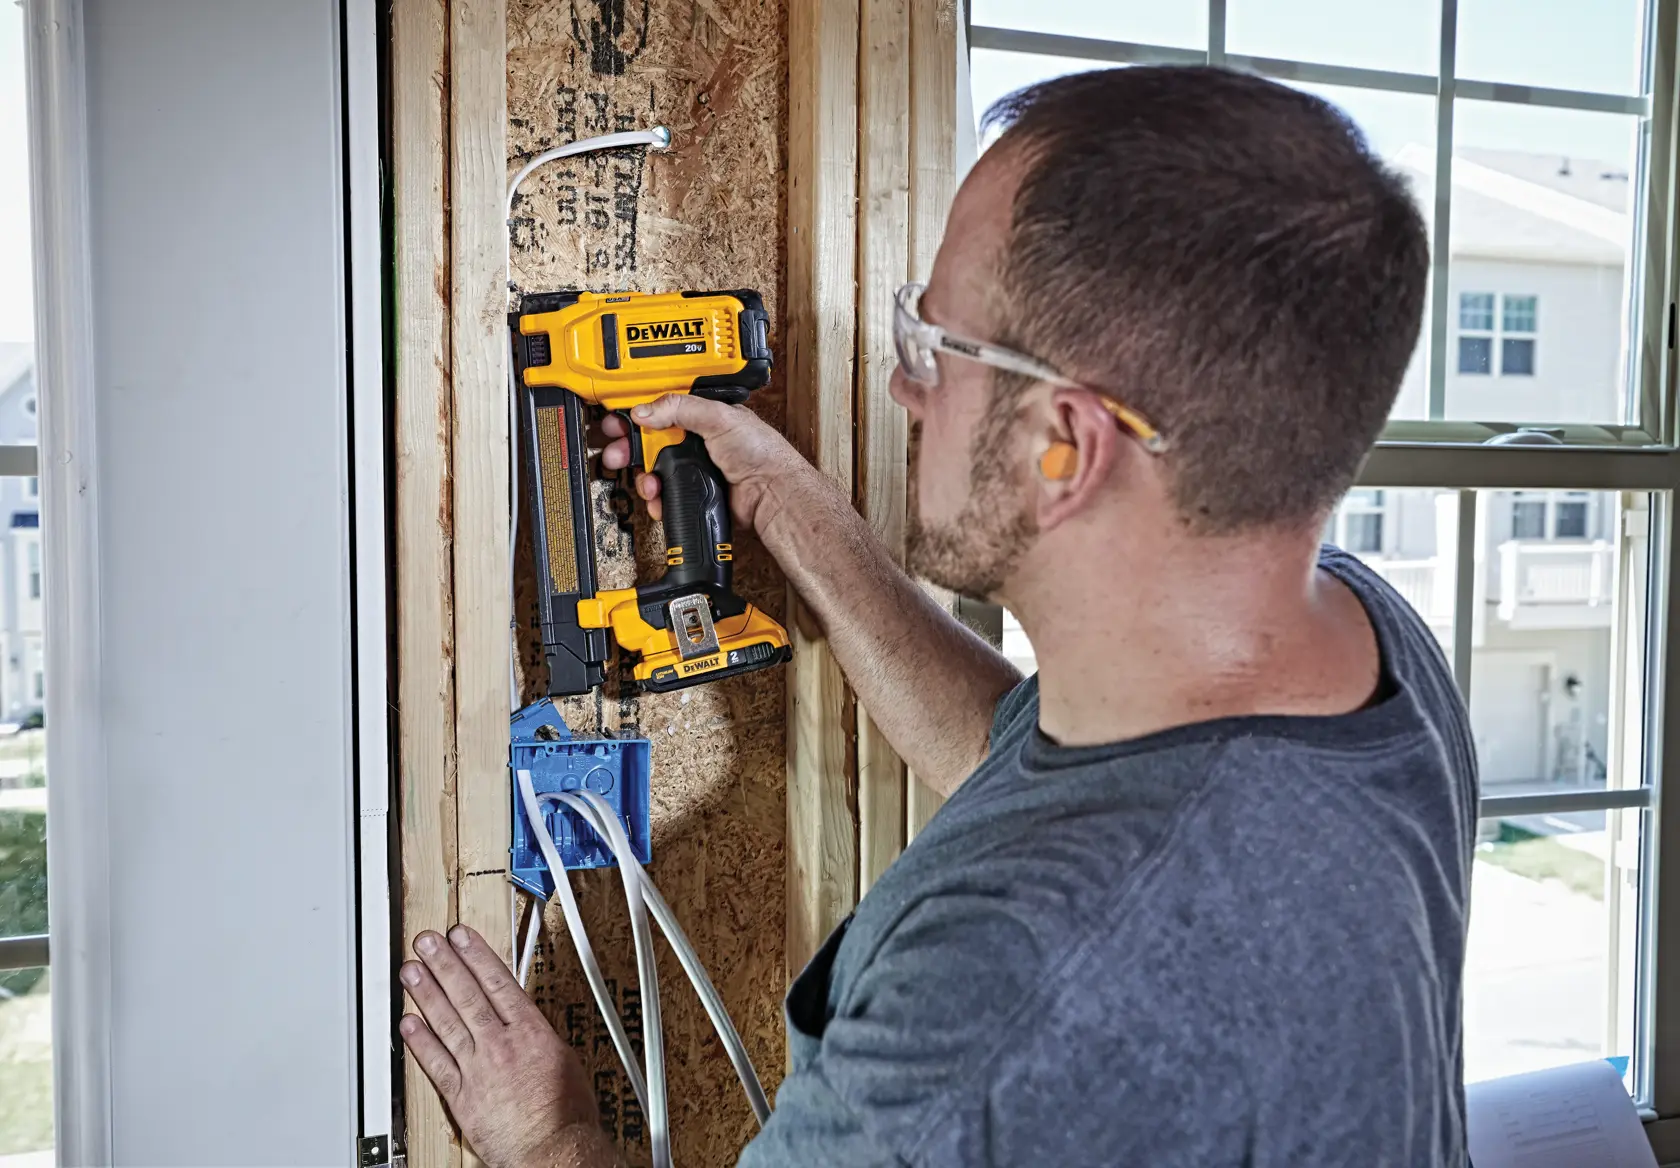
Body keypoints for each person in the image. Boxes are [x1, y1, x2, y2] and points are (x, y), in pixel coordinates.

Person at [396, 64, 1475, 1167]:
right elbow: (1013, 759)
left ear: (1067, 446)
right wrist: (788, 504)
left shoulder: (1004, 990)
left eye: (940, 343)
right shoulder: (1361, 647)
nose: (909, 387)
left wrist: (547, 1138)